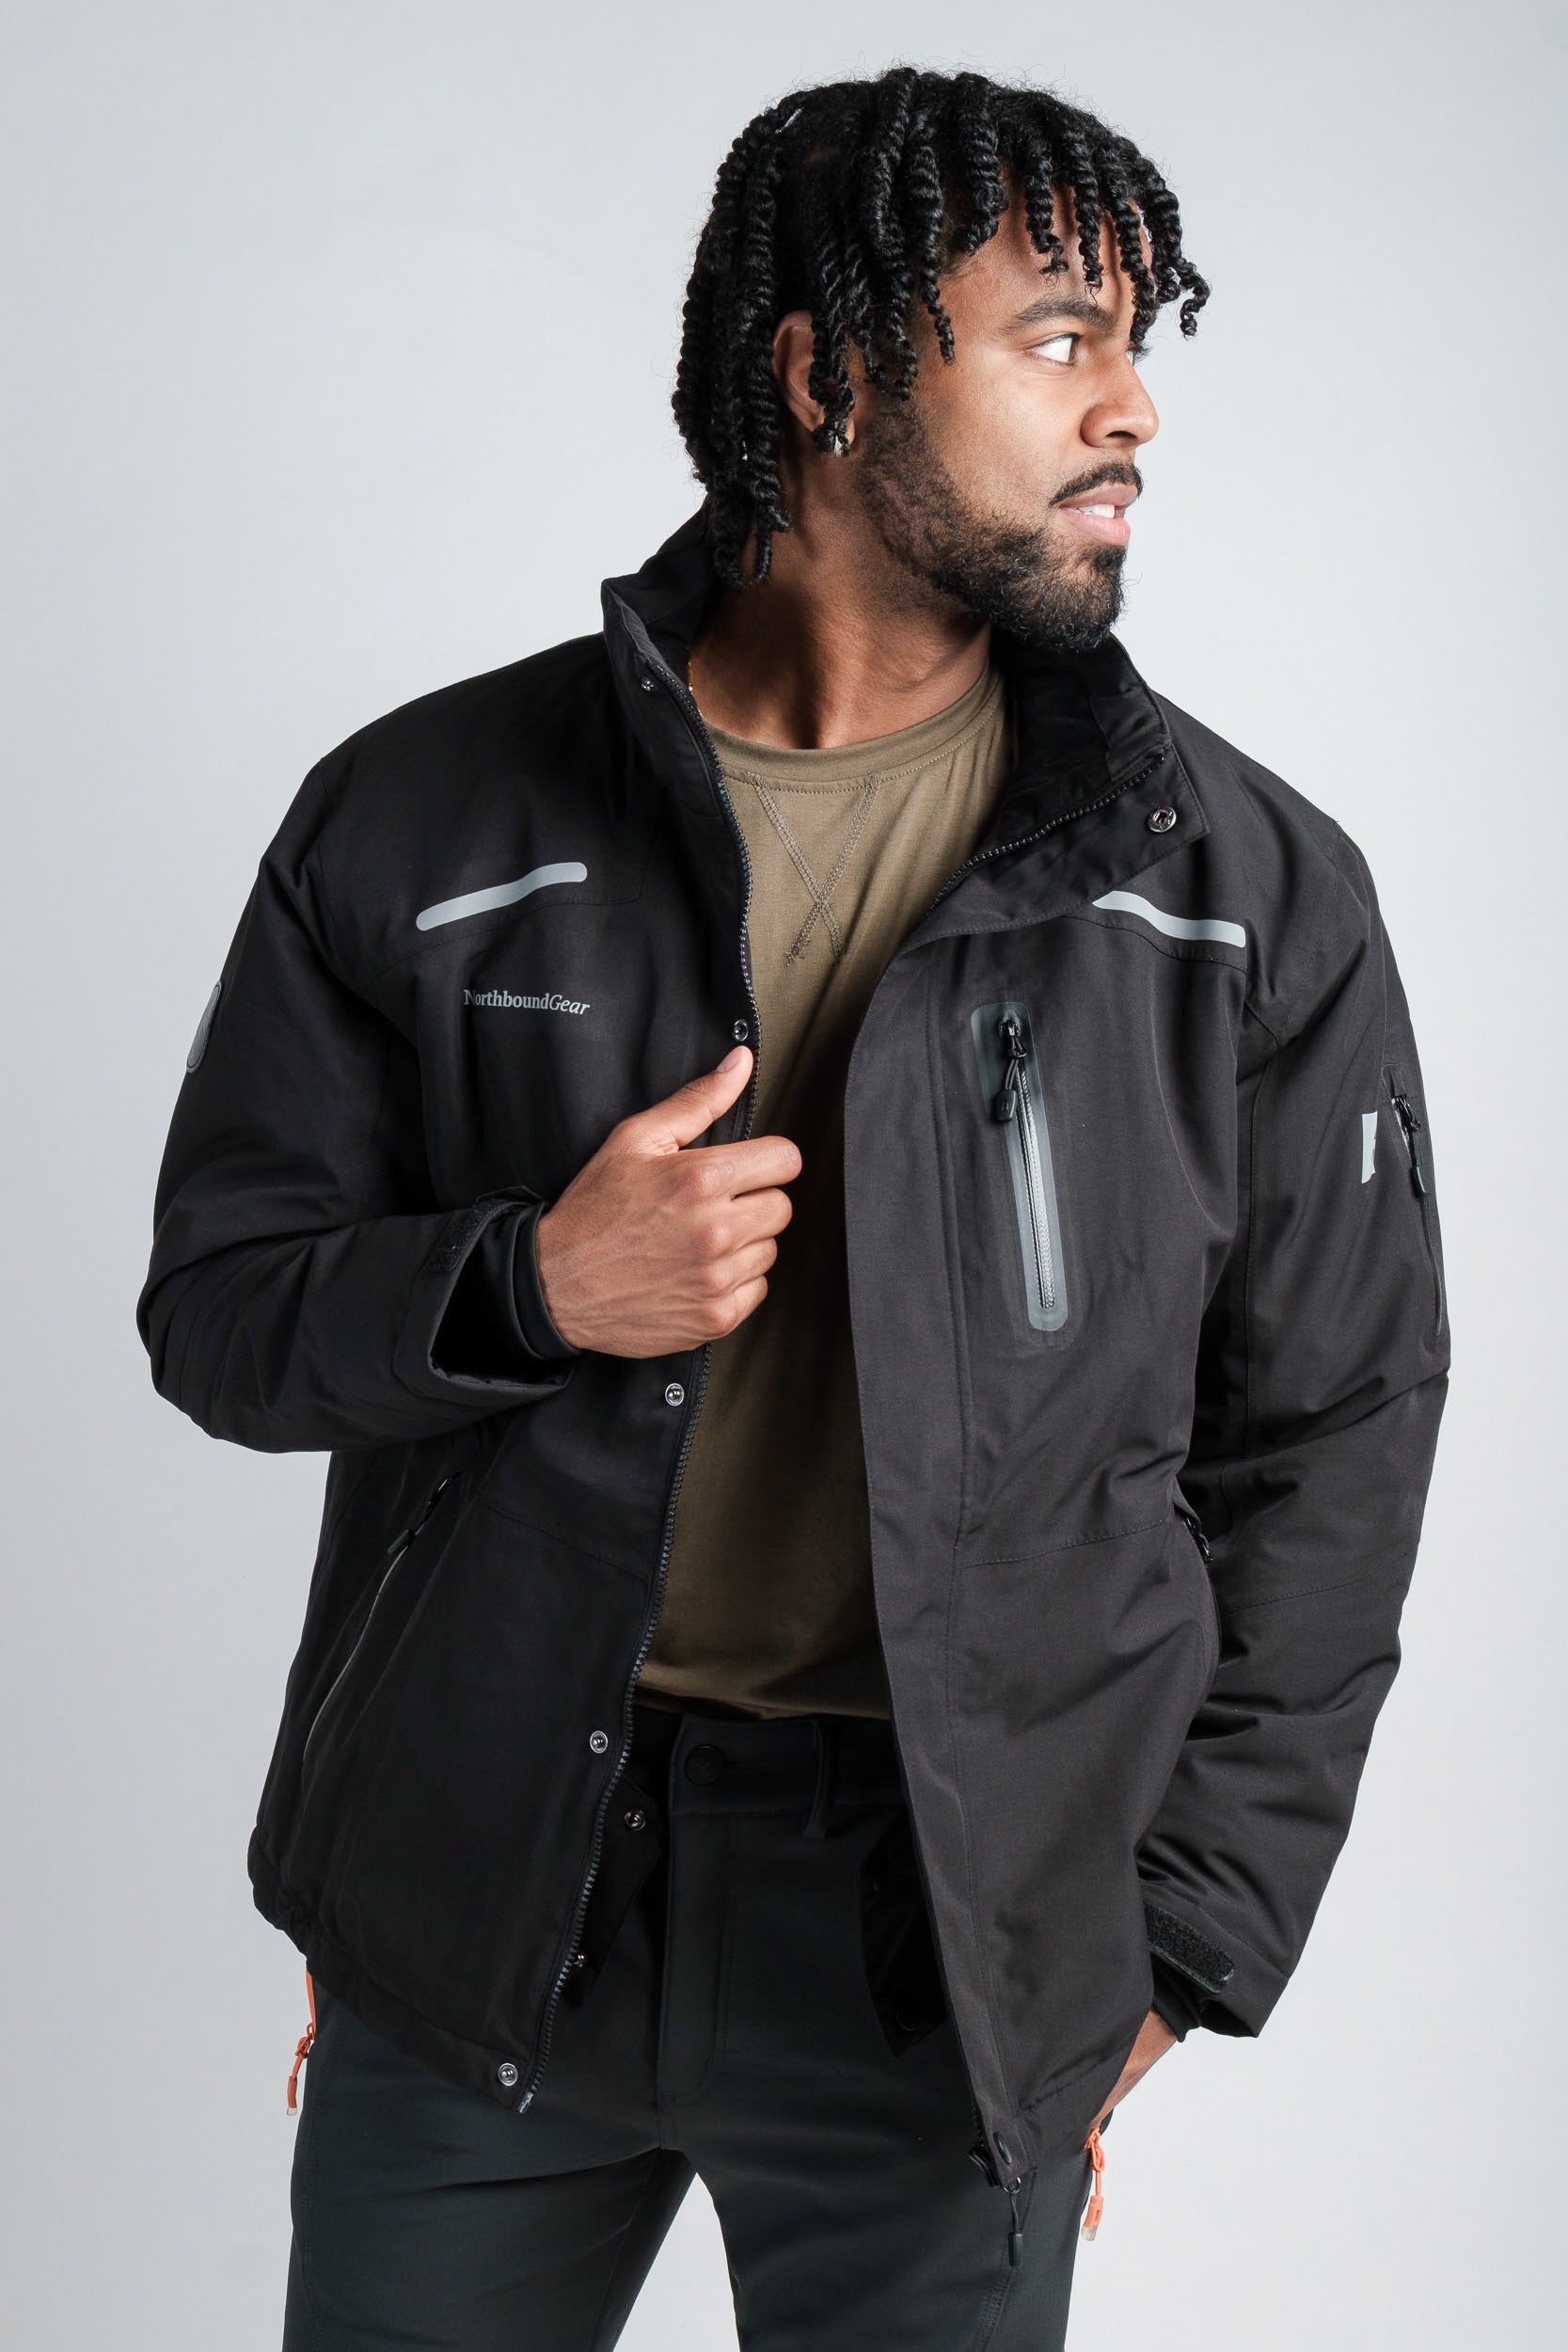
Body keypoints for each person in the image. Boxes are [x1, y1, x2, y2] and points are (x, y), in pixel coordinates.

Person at [137, 64, 1452, 2351]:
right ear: (826, 372)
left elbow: (1333, 1442)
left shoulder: (1240, 896)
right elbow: (223, 1310)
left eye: (1137, 341)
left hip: (944, 1948)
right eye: (1057, 337)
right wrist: (533, 1282)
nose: (1132, 408)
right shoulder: (427, 811)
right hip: (489, 1908)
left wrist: (1175, 1942)